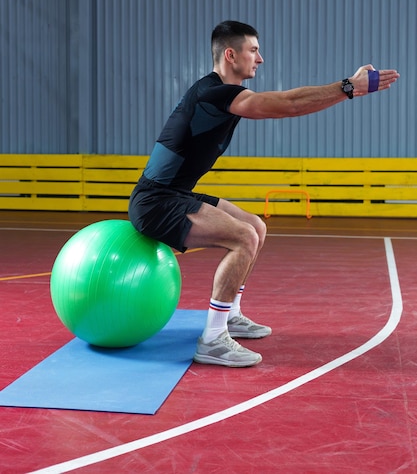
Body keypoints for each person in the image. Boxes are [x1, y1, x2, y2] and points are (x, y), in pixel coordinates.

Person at [129, 20, 400, 368]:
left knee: (254, 226)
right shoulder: (213, 93)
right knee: (242, 237)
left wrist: (351, 87)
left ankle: (230, 315)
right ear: (231, 54)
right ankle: (212, 339)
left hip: (173, 193)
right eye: (253, 50)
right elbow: (288, 104)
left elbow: (290, 103)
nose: (261, 58)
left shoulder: (219, 93)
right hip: (155, 202)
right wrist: (348, 86)